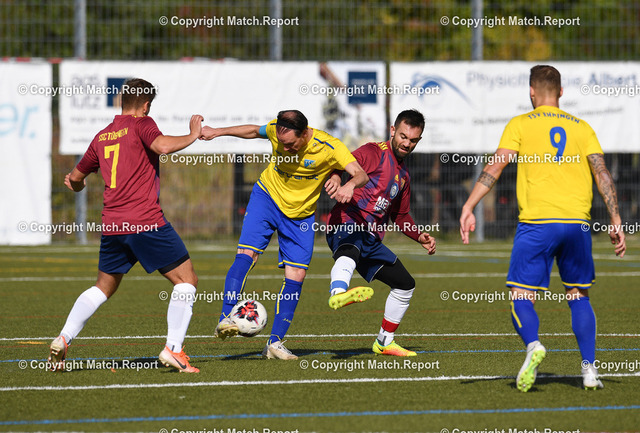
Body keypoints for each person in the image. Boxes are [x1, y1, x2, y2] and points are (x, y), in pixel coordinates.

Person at [460, 65, 626, 392]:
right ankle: (590, 370)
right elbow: (602, 173)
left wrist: (469, 205)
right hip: (577, 224)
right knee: (578, 295)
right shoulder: (582, 127)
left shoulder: (520, 123)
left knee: (521, 295)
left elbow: (496, 165)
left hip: (537, 224)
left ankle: (534, 345)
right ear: (561, 92)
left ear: (531, 92)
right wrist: (616, 217)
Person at [49, 78, 204, 373]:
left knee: (103, 287)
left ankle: (63, 338)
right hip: (145, 221)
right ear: (145, 105)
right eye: (149, 106)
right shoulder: (141, 123)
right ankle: (174, 349)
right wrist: (192, 134)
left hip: (112, 226)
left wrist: (78, 184)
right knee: (187, 281)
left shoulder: (102, 136)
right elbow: (162, 146)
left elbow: (76, 179)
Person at [200, 110, 368, 360]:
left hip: (300, 215)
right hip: (266, 198)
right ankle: (226, 318)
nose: (285, 149)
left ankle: (275, 343)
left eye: (290, 144)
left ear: (304, 133)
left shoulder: (329, 146)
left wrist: (348, 184)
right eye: (281, 144)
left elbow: (361, 174)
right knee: (247, 254)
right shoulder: (276, 131)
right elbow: (252, 130)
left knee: (297, 275)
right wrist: (217, 132)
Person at [325, 109, 437, 357]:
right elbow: (340, 163)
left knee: (405, 285)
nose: (406, 143)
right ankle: (338, 293)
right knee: (351, 245)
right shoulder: (373, 152)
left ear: (418, 140)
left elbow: (401, 216)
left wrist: (419, 236)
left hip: (371, 238)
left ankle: (385, 341)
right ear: (393, 131)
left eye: (413, 140)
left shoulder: (403, 176)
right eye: (403, 136)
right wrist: (339, 180)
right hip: (346, 223)